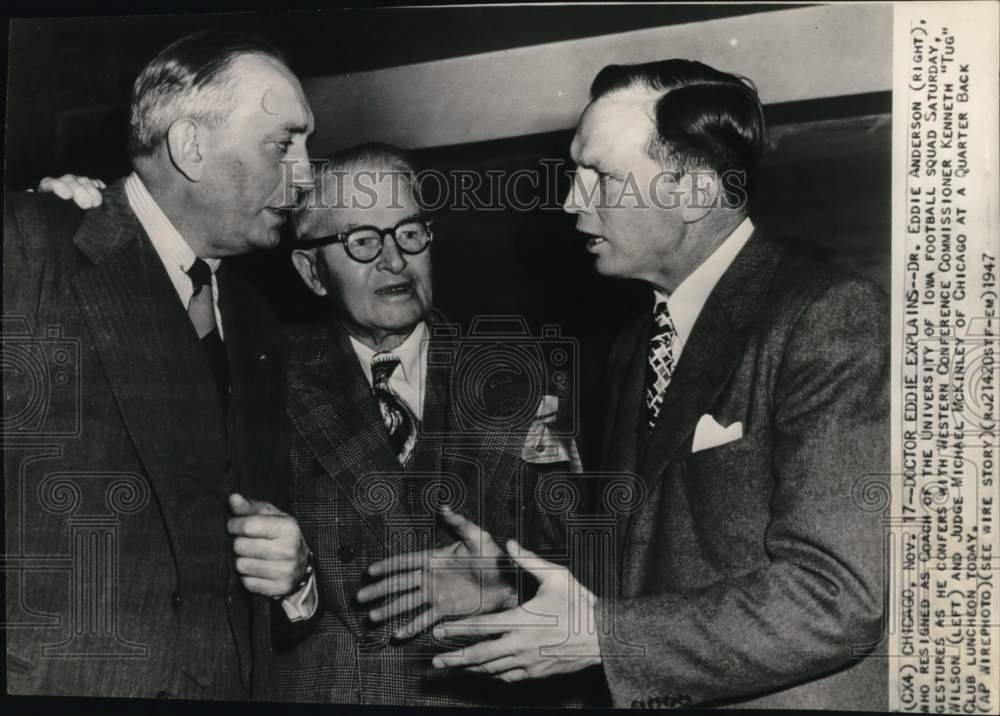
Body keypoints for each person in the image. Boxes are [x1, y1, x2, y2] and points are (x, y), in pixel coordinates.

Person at [431, 59, 889, 711]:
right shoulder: (633, 345)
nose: (569, 201)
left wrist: (603, 638)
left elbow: (837, 599)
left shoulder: (829, 317)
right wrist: (511, 583)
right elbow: (642, 562)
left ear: (695, 192)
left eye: (601, 178)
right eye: (574, 173)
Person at [3, 31, 318, 699]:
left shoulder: (259, 320)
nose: (307, 173)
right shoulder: (32, 244)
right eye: (283, 144)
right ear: (191, 147)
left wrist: (295, 576)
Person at [269, 143, 598, 706]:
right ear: (311, 271)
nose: (394, 261)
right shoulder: (263, 378)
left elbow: (594, 556)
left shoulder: (521, 375)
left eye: (410, 233)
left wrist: (502, 584)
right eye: (363, 240)